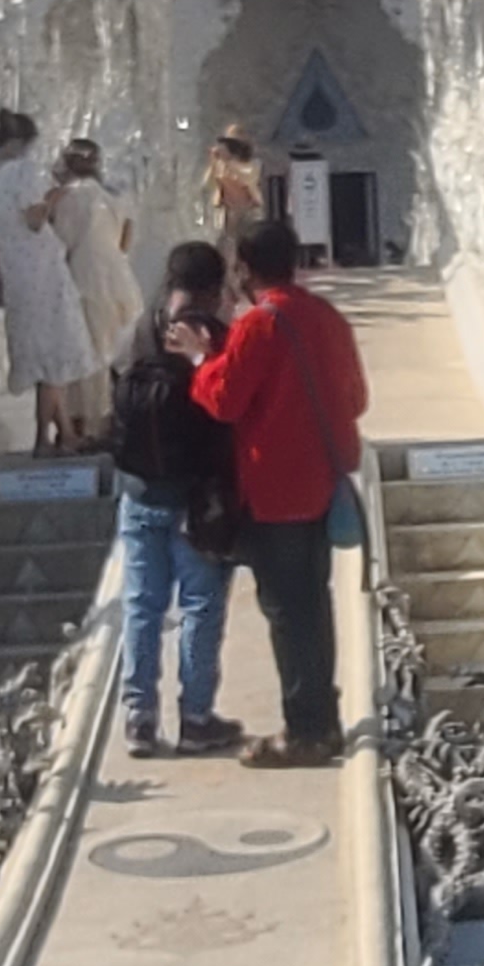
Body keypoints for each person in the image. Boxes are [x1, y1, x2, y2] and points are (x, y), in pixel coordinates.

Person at [174, 217, 367, 765]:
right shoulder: (326, 317)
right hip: (321, 483)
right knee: (313, 605)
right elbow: (356, 399)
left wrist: (200, 359)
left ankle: (305, 730)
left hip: (274, 489)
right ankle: (322, 717)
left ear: (243, 268)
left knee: (286, 612)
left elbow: (224, 400)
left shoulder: (259, 324)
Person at [112, 242, 244, 757]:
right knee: (199, 606)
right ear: (213, 289)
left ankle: (139, 718)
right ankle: (195, 718)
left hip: (139, 491)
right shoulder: (211, 339)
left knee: (142, 605)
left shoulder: (142, 330)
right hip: (196, 500)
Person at [0, 109, 100, 452]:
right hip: (40, 264)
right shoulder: (22, 170)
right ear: (19, 143)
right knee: (54, 352)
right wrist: (55, 195)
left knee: (41, 350)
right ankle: (43, 437)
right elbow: (34, 220)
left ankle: (66, 433)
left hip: (13, 266)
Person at [54, 139, 144, 431]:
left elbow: (62, 241)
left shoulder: (68, 197)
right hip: (117, 277)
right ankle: (102, 419)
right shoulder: (113, 197)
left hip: (82, 277)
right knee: (105, 352)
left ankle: (84, 423)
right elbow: (126, 241)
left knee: (83, 353)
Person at [202, 131, 265, 267]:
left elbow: (247, 177)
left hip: (247, 212)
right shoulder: (219, 166)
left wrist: (228, 164)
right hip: (227, 214)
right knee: (226, 246)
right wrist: (213, 164)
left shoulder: (251, 165)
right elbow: (207, 184)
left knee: (249, 244)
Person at [283, 139, 334, 269]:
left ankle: (312, 257)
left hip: (308, 208)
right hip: (302, 206)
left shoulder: (314, 168)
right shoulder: (295, 169)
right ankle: (306, 258)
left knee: (309, 229)